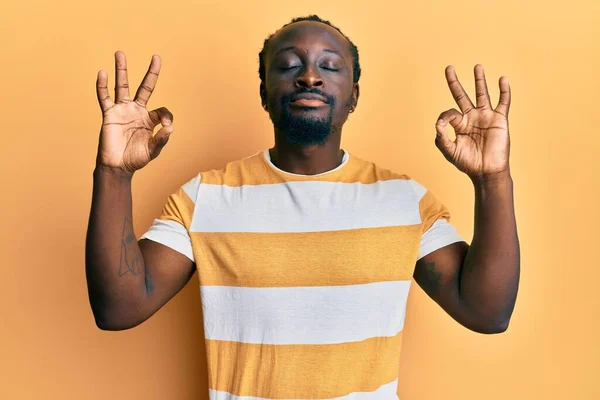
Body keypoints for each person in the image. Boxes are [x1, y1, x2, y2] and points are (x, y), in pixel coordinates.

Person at [86, 14, 520, 399]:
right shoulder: (205, 198)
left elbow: (487, 312)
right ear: (264, 91)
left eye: (329, 66)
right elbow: (118, 309)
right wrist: (114, 173)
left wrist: (492, 179)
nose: (310, 77)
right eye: (289, 65)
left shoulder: (403, 201)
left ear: (353, 95)